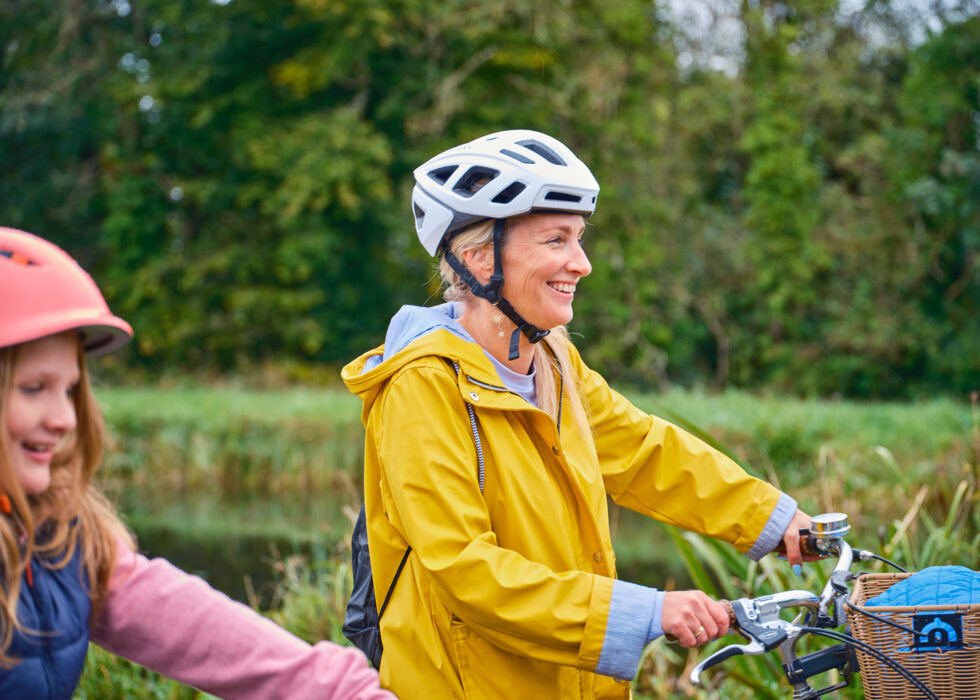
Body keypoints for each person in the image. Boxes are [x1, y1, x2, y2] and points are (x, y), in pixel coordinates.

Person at [341, 129, 816, 699]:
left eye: (579, 238)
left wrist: (774, 519)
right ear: (475, 256)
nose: (581, 263)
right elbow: (466, 572)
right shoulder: (422, 387)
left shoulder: (553, 359)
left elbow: (642, 452)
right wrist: (646, 611)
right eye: (555, 240)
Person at [0, 227, 395, 699]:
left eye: (69, 390)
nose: (65, 419)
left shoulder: (59, 536)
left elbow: (188, 626)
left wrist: (341, 692)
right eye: (32, 389)